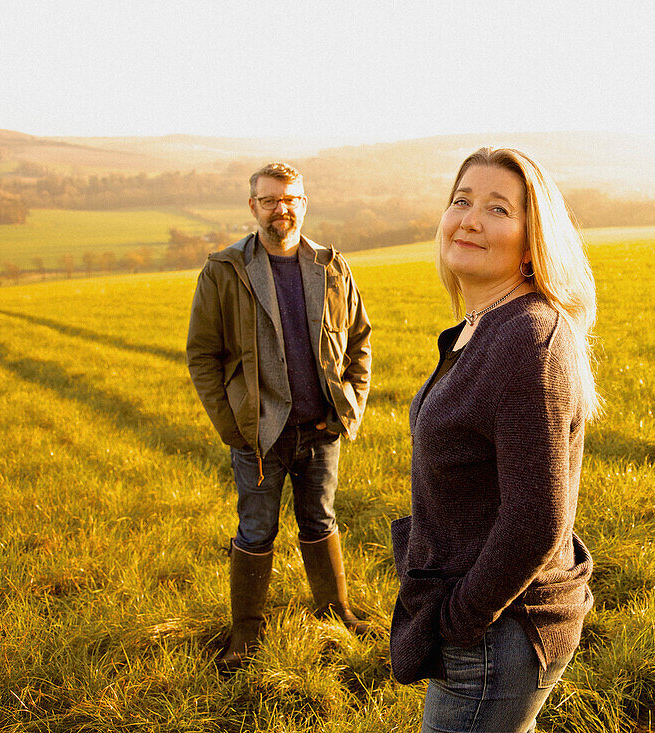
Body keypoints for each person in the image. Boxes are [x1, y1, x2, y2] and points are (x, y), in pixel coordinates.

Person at [390, 148, 599, 732]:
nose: (470, 219)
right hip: (491, 622)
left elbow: (537, 518)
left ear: (534, 239)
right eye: (461, 200)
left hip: (496, 631)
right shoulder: (484, 326)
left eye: (498, 208)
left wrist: (462, 618)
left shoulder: (527, 337)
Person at [186, 162, 372, 672]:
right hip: (258, 437)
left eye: (289, 198)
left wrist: (348, 406)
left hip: (320, 432)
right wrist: (232, 428)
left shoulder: (332, 267)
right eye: (269, 200)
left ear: (304, 202)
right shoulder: (225, 271)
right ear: (253, 207)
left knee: (320, 520)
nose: (280, 208)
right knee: (256, 531)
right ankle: (246, 631)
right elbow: (202, 355)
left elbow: (359, 341)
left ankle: (337, 613)